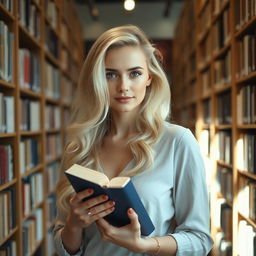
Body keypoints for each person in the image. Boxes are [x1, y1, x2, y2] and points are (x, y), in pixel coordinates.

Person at [53, 25, 213, 256]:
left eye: (134, 73)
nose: (123, 86)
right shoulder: (80, 146)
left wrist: (146, 245)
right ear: (96, 79)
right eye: (110, 74)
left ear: (150, 77)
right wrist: (73, 226)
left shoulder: (178, 142)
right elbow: (62, 244)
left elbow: (200, 240)